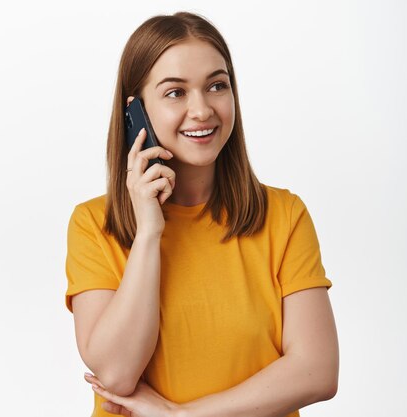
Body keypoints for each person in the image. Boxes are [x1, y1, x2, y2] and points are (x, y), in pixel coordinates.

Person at [64, 11, 339, 417]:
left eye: (216, 86)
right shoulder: (93, 225)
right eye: (175, 92)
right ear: (135, 110)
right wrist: (147, 234)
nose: (202, 110)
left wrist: (183, 416)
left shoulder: (284, 216)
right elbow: (117, 375)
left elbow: (318, 372)